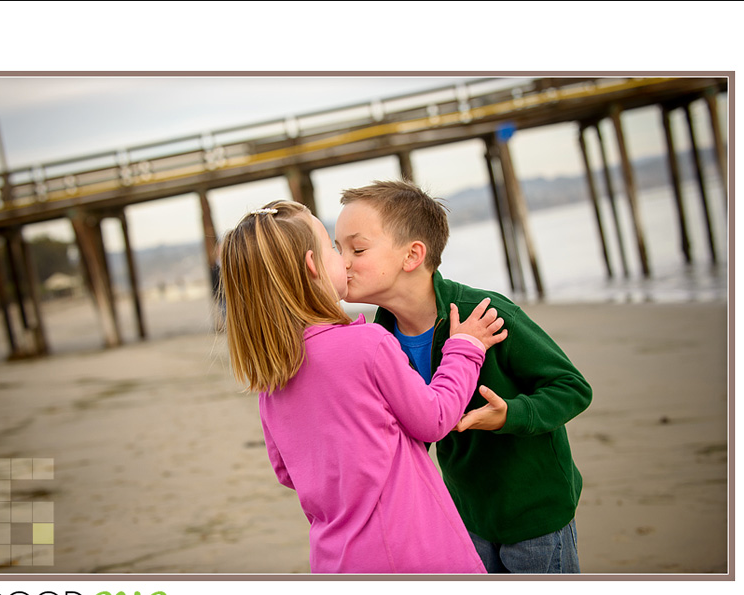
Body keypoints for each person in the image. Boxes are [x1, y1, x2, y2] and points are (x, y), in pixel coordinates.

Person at [220, 199, 508, 574]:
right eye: (332, 247)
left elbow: (286, 471)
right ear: (312, 264)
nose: (344, 259)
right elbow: (435, 418)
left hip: (337, 561)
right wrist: (465, 349)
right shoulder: (366, 344)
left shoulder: (272, 377)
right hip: (414, 554)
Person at [335, 180, 593, 574]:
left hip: (535, 512)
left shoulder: (483, 312)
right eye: (338, 250)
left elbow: (572, 387)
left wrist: (510, 414)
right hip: (465, 515)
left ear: (412, 255)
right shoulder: (377, 342)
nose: (342, 262)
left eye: (357, 249)